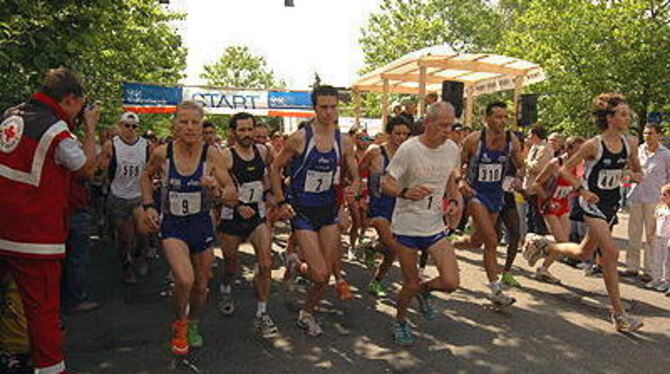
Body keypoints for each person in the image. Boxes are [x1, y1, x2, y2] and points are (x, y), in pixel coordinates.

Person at [0, 68, 98, 374]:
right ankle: (52, 370)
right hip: (34, 236)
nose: (81, 112)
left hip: (3, 226)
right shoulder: (57, 130)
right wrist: (91, 130)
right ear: (70, 99)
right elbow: (84, 170)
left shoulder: (9, 116)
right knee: (42, 311)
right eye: (80, 106)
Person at [523, 93, 644, 332]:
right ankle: (619, 315)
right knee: (611, 253)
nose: (627, 118)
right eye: (622, 114)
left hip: (610, 205)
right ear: (610, 118)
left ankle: (542, 245)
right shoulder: (593, 145)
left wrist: (632, 175)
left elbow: (636, 171)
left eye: (627, 113)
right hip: (591, 203)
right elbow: (564, 170)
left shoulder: (629, 143)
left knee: (582, 251)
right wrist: (582, 189)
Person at [140, 100, 233, 355]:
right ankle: (180, 322)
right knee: (185, 278)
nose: (190, 127)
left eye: (195, 122)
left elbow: (232, 193)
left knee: (202, 285)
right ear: (174, 126)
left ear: (202, 127)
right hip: (173, 225)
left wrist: (215, 187)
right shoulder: (162, 153)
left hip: (201, 223)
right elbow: (145, 176)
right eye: (184, 122)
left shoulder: (212, 154)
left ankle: (193, 323)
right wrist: (148, 205)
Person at [270, 85, 360, 337]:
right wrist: (279, 201)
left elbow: (354, 177)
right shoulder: (300, 138)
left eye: (333, 107)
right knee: (319, 274)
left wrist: (351, 192)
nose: (329, 112)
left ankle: (306, 313)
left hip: (329, 212)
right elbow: (275, 169)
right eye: (324, 107)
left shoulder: (344, 141)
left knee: (326, 274)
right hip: (303, 213)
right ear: (314, 108)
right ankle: (295, 263)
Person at [381, 102, 461, 345]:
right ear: (427, 124)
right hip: (407, 226)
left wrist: (455, 200)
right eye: (442, 125)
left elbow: (449, 180)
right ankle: (400, 320)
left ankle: (425, 292)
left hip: (435, 224)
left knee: (450, 282)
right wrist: (405, 192)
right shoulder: (409, 149)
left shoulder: (452, 149)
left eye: (451, 125)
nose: (447, 130)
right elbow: (386, 183)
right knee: (410, 282)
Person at [454, 101, 525, 307]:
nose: (502, 121)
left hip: (496, 195)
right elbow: (457, 164)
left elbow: (521, 166)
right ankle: (495, 290)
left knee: (477, 241)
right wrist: (460, 181)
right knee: (492, 239)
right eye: (498, 117)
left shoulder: (512, 141)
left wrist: (518, 178)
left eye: (505, 117)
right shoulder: (474, 140)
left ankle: (448, 244)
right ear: (486, 119)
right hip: (475, 193)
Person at [216, 112, 278, 337]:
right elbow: (215, 189)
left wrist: (272, 196)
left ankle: (262, 314)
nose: (246, 134)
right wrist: (235, 204)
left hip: (257, 216)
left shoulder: (263, 151)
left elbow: (268, 177)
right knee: (231, 265)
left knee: (265, 263)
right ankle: (225, 288)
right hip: (231, 218)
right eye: (241, 130)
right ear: (233, 133)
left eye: (249, 129)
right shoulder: (225, 156)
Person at [359, 116, 411, 297]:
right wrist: (361, 196)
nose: (402, 137)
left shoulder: (409, 154)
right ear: (389, 134)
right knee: (394, 247)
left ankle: (376, 278)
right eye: (398, 133)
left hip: (399, 207)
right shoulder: (376, 151)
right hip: (378, 206)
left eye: (405, 134)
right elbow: (359, 171)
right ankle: (373, 248)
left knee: (390, 252)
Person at [99, 112, 150, 284]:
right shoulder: (111, 145)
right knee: (125, 237)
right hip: (119, 196)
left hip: (138, 196)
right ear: (120, 126)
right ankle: (126, 265)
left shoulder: (145, 145)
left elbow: (152, 168)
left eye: (134, 126)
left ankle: (141, 256)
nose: (130, 129)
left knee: (143, 230)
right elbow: (102, 167)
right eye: (126, 125)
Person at [531, 136, 585, 284]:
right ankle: (538, 251)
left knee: (564, 241)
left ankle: (543, 261)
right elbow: (536, 184)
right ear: (568, 149)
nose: (581, 154)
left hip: (564, 204)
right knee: (562, 241)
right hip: (549, 204)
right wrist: (548, 201)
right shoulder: (555, 163)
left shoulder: (580, 165)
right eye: (578, 150)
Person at [624, 123, 670, 278]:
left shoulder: (666, 155)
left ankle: (650, 270)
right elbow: (627, 172)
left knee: (652, 236)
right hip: (636, 196)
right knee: (633, 234)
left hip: (655, 200)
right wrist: (628, 179)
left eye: (650, 133)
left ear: (659, 135)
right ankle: (632, 266)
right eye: (645, 133)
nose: (647, 136)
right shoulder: (636, 152)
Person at [524, 126, 552, 235]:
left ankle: (539, 245)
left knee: (537, 219)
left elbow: (539, 167)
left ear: (535, 135)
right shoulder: (534, 148)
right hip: (530, 189)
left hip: (539, 190)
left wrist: (525, 162)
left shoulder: (544, 149)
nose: (528, 137)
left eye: (530, 134)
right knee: (530, 217)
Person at [646, 183, 670, 293]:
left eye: (665, 195)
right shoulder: (660, 207)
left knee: (667, 261)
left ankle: (666, 281)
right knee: (656, 259)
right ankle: (656, 279)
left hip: (668, 239)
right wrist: (651, 234)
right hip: (658, 237)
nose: (662, 197)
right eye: (661, 194)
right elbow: (655, 222)